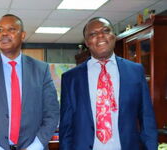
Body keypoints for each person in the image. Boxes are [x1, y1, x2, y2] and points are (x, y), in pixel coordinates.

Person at [59, 17, 158, 150]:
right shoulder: (71, 78)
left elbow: (147, 119)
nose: (100, 36)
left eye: (106, 30)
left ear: (114, 36)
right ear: (87, 42)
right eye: (93, 34)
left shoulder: (135, 71)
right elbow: (66, 126)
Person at [0, 14, 59, 150]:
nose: (4, 33)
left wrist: (36, 146)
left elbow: (52, 113)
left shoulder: (41, 70)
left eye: (11, 29)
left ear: (22, 35)